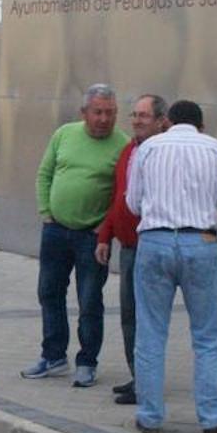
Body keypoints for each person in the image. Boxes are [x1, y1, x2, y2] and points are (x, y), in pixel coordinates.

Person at [125, 99, 217, 433]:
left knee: (150, 332)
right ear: (202, 125)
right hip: (201, 243)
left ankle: (150, 416)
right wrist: (212, 220)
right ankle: (212, 418)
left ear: (167, 122)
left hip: (154, 242)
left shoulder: (148, 148)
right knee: (207, 336)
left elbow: (133, 203)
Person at [22, 84, 128, 387]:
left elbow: (123, 194)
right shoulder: (64, 134)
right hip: (55, 230)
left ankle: (87, 361)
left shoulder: (122, 145)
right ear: (84, 112)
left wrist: (105, 228)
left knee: (89, 300)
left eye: (110, 113)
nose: (104, 119)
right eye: (98, 112)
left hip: (92, 237)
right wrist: (46, 210)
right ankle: (54, 357)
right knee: (49, 292)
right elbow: (45, 173)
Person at [96, 93, 168, 405]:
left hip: (151, 246)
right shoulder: (129, 150)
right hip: (128, 247)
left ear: (161, 121)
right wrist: (105, 235)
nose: (137, 121)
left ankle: (148, 382)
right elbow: (119, 197)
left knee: (146, 317)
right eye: (135, 115)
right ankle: (138, 374)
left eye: (144, 116)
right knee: (129, 315)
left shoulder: (165, 152)